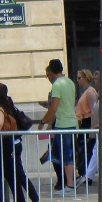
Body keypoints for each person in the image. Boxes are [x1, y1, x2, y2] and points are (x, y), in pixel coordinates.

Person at [0, 83, 40, 202]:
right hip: (9, 144)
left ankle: (33, 200)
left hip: (8, 144)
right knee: (6, 175)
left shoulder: (1, 107)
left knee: (15, 174)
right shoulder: (7, 104)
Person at [37, 59, 78, 193]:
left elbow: (54, 108)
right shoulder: (70, 82)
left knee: (63, 155)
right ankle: (70, 182)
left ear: (51, 72)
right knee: (65, 154)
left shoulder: (57, 85)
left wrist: (43, 122)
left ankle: (70, 184)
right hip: (72, 122)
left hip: (62, 124)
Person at [75, 69, 99, 172]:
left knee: (86, 148)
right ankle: (84, 170)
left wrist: (92, 126)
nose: (78, 80)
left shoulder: (90, 91)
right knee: (83, 147)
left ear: (86, 78)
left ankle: (85, 171)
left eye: (79, 78)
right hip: (84, 121)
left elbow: (94, 109)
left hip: (88, 121)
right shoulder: (87, 91)